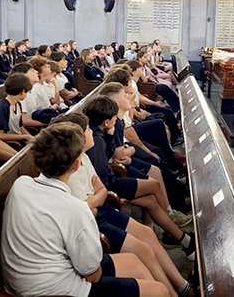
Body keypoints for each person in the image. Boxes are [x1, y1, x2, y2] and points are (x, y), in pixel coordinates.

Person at [0, 123, 168, 297]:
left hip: (21, 282)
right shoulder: (76, 209)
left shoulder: (20, 185)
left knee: (133, 261)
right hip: (56, 291)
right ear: (76, 165)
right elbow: (93, 276)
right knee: (159, 291)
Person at [53, 112, 192, 297]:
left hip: (103, 208)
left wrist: (98, 196)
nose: (91, 133)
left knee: (147, 234)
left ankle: (182, 286)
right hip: (94, 223)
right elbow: (87, 209)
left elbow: (100, 190)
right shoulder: (71, 170)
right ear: (76, 138)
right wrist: (99, 196)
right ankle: (174, 292)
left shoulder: (83, 157)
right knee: (143, 249)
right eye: (87, 130)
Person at [83, 97, 195, 260]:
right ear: (106, 121)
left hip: (111, 181)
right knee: (154, 185)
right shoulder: (96, 142)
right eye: (114, 118)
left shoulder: (101, 135)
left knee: (150, 200)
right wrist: (113, 197)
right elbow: (102, 176)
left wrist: (110, 136)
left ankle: (180, 239)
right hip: (112, 185)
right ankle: (171, 224)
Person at [0, 74, 34, 144]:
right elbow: (0, 135)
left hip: (19, 139)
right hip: (10, 143)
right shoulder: (3, 107)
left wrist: (31, 138)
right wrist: (25, 137)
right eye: (27, 92)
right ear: (22, 92)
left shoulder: (18, 104)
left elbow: (20, 127)